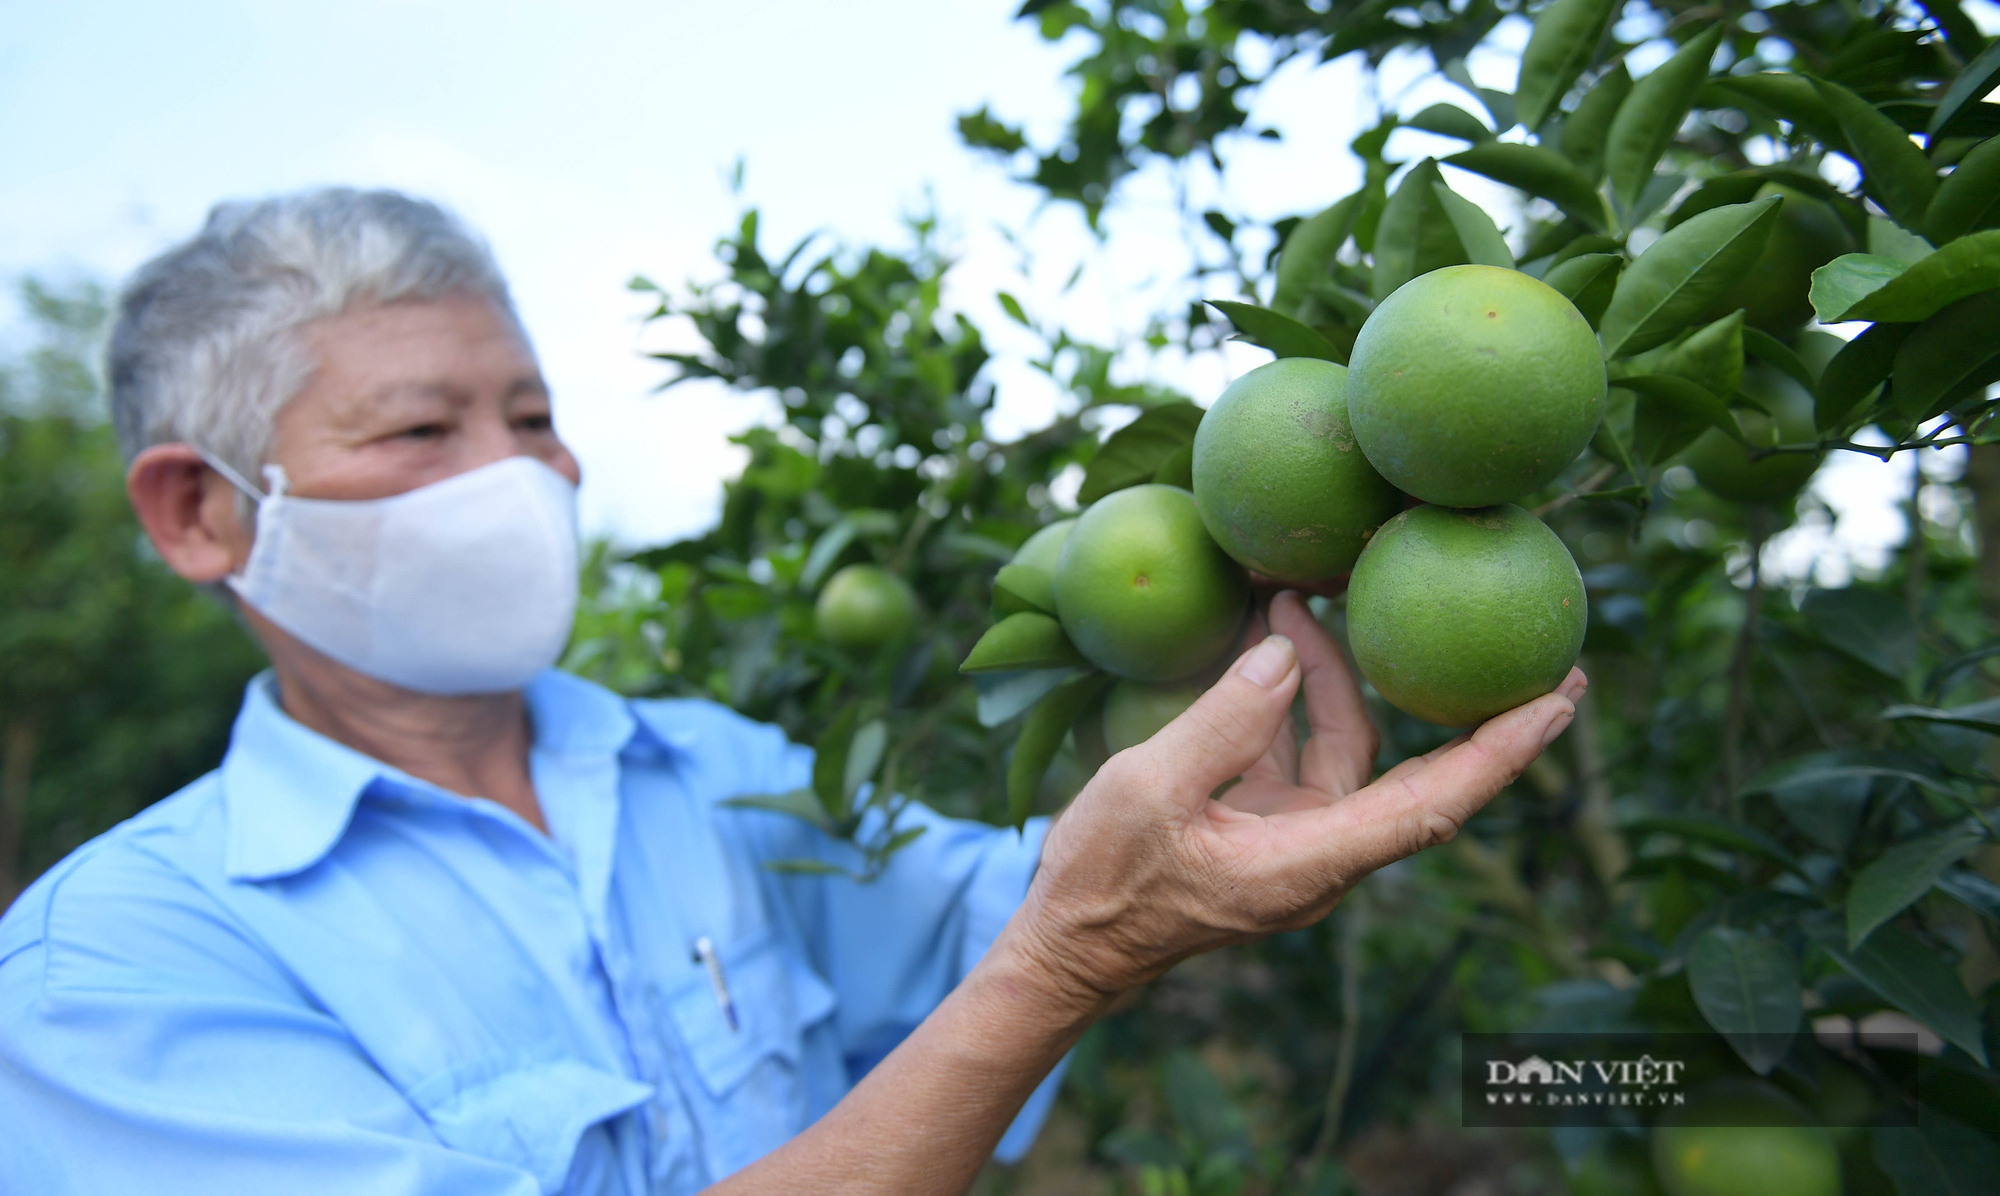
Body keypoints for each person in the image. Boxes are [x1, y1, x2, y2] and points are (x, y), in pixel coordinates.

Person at [0, 189, 1585, 1195]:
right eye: (423, 433)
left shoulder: (704, 775)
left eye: (535, 415)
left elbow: (1006, 900)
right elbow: (1048, 945)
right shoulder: (108, 974)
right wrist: (1071, 951)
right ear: (201, 511)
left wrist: (1204, 817)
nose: (524, 474)